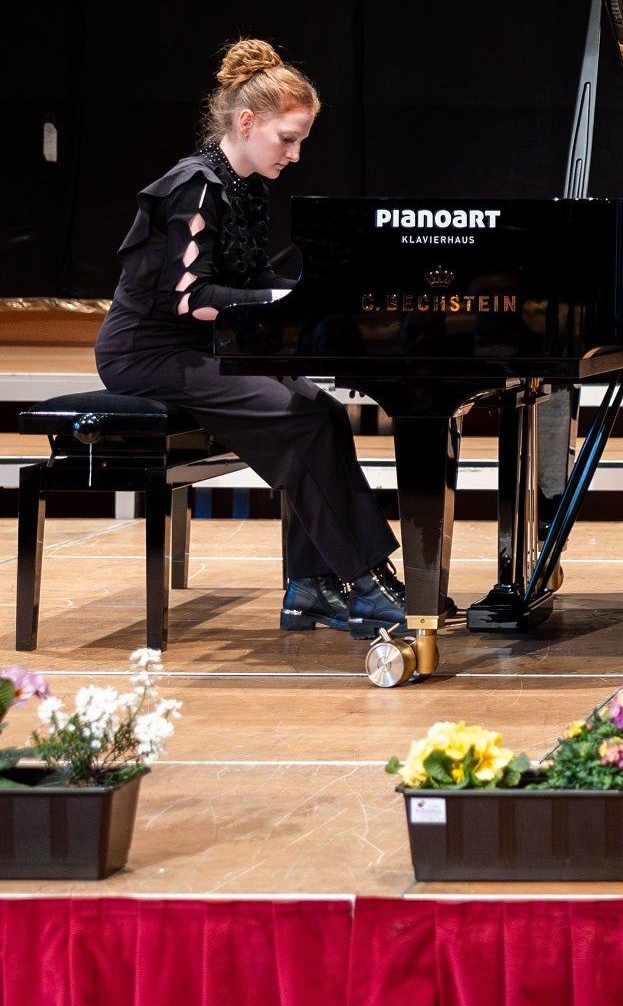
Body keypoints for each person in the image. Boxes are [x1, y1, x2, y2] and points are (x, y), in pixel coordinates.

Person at [96, 39, 412, 638]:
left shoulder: (244, 186)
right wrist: (286, 302)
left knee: (324, 413)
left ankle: (311, 584)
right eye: (287, 139)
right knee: (299, 417)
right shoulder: (194, 187)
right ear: (246, 123)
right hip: (150, 352)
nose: (295, 154)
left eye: (301, 142)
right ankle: (365, 582)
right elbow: (191, 299)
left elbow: (251, 278)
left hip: (203, 344)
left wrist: (319, 296)